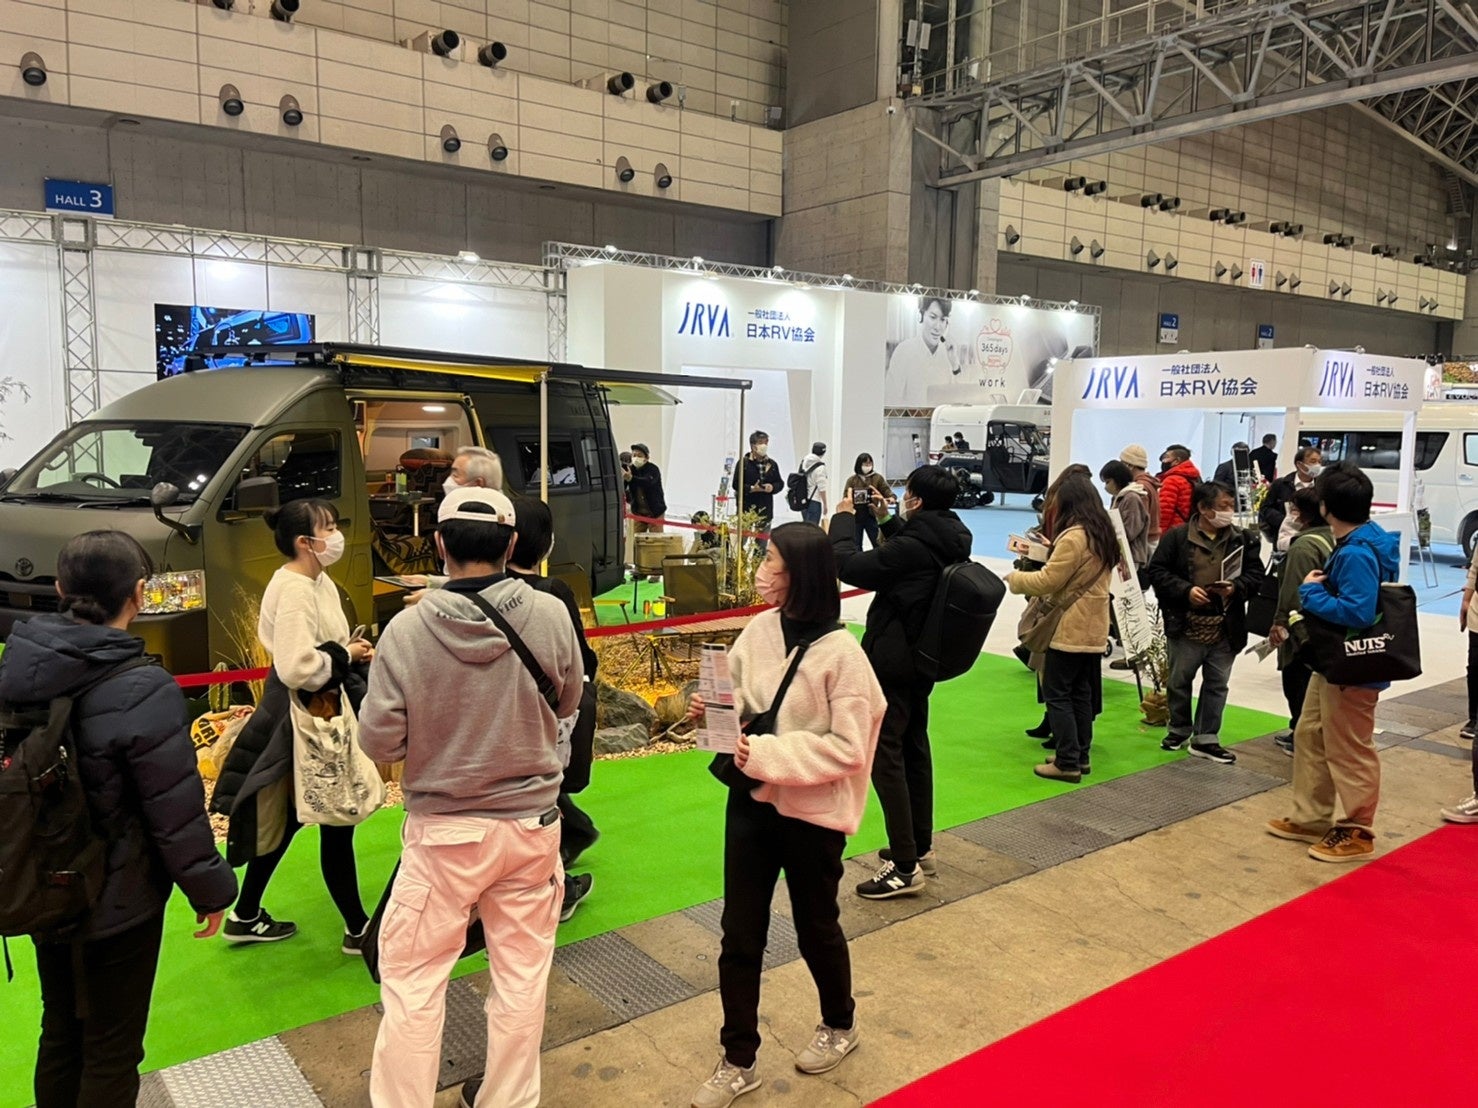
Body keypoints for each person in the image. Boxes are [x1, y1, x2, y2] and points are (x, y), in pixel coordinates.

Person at [359, 487, 584, 1108]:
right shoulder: (550, 613)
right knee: (521, 977)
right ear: (512, 545)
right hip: (531, 828)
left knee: (414, 983)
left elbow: (380, 740)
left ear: (438, 544)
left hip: (444, 835)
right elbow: (568, 700)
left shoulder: (406, 629)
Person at [0, 531, 238, 1108]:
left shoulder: (19, 667)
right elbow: (173, 809)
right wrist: (210, 890)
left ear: (60, 589)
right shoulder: (143, 687)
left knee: (60, 1030)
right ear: (139, 593)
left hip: (42, 881)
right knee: (111, 1049)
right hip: (118, 896)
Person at [686, 523, 885, 1108]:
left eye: (770, 560)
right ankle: (737, 1059)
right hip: (751, 801)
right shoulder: (761, 628)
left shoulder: (845, 657)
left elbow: (850, 749)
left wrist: (767, 753)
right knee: (739, 933)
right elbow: (746, 701)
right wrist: (712, 710)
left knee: (816, 926)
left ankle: (840, 1023)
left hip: (812, 816)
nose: (760, 571)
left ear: (801, 573)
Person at [215, 499, 373, 948]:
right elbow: (296, 666)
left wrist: (347, 653)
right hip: (304, 712)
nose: (337, 535)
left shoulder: (315, 580)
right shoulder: (296, 589)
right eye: (329, 527)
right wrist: (346, 655)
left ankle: (246, 914)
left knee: (290, 817)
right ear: (306, 541)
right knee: (336, 818)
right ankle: (358, 929)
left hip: (312, 709)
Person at [832, 465, 973, 898]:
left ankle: (905, 867)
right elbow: (913, 555)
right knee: (913, 747)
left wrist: (843, 519)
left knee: (885, 755)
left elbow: (849, 565)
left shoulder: (913, 545)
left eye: (906, 493)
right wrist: (886, 520)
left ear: (917, 500)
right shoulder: (951, 535)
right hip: (922, 658)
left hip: (894, 660)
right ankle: (919, 846)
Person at [1266, 462, 1399, 863]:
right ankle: (1311, 815)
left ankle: (1357, 828)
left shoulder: (1356, 551)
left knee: (1349, 746)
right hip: (1334, 663)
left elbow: (1358, 611)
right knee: (1311, 732)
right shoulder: (1365, 538)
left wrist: (1311, 594)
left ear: (1325, 507)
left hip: (1352, 665)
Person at [506, 496, 599, 923]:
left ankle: (573, 837)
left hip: (501, 719)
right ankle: (555, 888)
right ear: (545, 542)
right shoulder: (552, 593)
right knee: (540, 798)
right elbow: (580, 659)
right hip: (548, 713)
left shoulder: (482, 593)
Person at [1146, 481, 1264, 765]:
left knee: (1217, 684)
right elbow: (1157, 572)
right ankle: (1178, 729)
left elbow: (1256, 575)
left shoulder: (1243, 539)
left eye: (1232, 506)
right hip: (1185, 623)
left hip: (1226, 625)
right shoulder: (1176, 537)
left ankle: (1206, 738)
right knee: (1179, 681)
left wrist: (1235, 588)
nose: (1229, 512)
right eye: (1224, 506)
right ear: (1202, 508)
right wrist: (1186, 591)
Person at [1006, 481, 1115, 783]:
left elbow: (1048, 581)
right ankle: (1080, 755)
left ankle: (1067, 762)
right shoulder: (1103, 534)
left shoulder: (1074, 536)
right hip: (1093, 627)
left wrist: (1016, 579)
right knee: (1081, 693)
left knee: (1057, 693)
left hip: (1069, 627)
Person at [1267, 487, 1333, 756]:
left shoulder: (1304, 546)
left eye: (1294, 509)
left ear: (1304, 514)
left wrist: (1280, 622)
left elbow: (1294, 590)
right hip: (1328, 626)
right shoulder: (1334, 538)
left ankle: (1302, 737)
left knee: (1297, 682)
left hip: (1303, 629)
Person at [888, 296, 959, 406]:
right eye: (933, 317)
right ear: (921, 315)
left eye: (943, 320)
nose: (938, 327)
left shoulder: (948, 353)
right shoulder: (904, 351)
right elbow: (890, 400)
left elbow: (958, 399)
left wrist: (955, 365)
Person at [1260, 445, 1323, 547]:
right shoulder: (1281, 484)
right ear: (1299, 464)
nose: (1317, 465)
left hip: (1312, 539)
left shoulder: (1322, 486)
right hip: (1284, 538)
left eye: (1319, 462)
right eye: (1313, 461)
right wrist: (1286, 521)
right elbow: (1265, 508)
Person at [735, 430, 782, 553]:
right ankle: (740, 562)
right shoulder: (744, 463)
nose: (764, 446)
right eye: (761, 443)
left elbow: (780, 483)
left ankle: (758, 563)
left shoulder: (772, 464)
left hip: (765, 510)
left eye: (766, 442)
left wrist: (772, 487)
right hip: (746, 509)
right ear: (753, 445)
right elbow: (736, 484)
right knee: (740, 542)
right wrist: (751, 488)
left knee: (761, 545)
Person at [1099, 459, 1150, 569]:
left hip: (1131, 555)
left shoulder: (1131, 498)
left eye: (1108, 482)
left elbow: (1130, 531)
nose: (1106, 487)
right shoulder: (1118, 497)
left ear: (1117, 479)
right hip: (1121, 552)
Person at [842, 453, 893, 551]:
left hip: (871, 514)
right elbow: (845, 496)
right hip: (856, 515)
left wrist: (891, 497)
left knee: (877, 541)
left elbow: (886, 490)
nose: (868, 466)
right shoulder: (852, 480)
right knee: (856, 544)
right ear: (859, 464)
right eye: (865, 463)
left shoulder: (877, 478)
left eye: (870, 463)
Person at [1119, 444, 1161, 551]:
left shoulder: (1138, 488)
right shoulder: (1149, 483)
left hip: (1143, 543)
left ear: (1130, 465)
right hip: (1151, 539)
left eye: (1121, 462)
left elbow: (1136, 523)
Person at [1157, 445, 1201, 535]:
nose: (1163, 461)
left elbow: (1164, 511)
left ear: (1176, 461)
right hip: (1190, 528)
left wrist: (1160, 534)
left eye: (1166, 457)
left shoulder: (1171, 480)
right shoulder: (1195, 477)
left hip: (1172, 531)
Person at [625, 442, 667, 535]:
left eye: (639, 455)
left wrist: (631, 478)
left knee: (656, 539)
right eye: (634, 455)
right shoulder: (630, 469)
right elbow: (623, 487)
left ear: (646, 458)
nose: (636, 458)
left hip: (655, 512)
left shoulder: (653, 469)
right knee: (634, 538)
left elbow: (647, 481)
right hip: (638, 513)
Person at [798, 441, 829, 526]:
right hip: (814, 501)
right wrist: (825, 505)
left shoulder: (803, 462)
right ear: (823, 452)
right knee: (812, 529)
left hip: (803, 500)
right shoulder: (821, 467)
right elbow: (822, 488)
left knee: (805, 527)